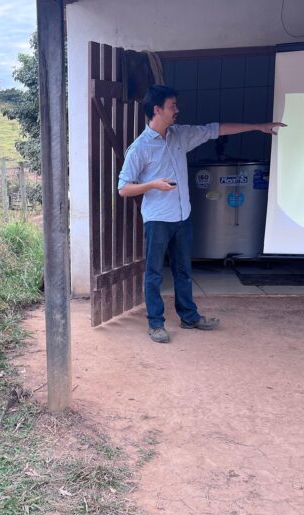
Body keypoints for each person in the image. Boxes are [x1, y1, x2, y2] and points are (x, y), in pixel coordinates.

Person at [118, 84, 285, 344]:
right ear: (157, 109)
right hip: (158, 220)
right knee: (154, 274)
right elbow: (123, 188)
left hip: (182, 218)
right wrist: (152, 185)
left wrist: (258, 126)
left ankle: (189, 317)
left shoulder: (179, 135)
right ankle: (156, 324)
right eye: (172, 106)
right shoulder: (139, 148)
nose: (177, 110)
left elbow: (215, 129)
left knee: (184, 270)